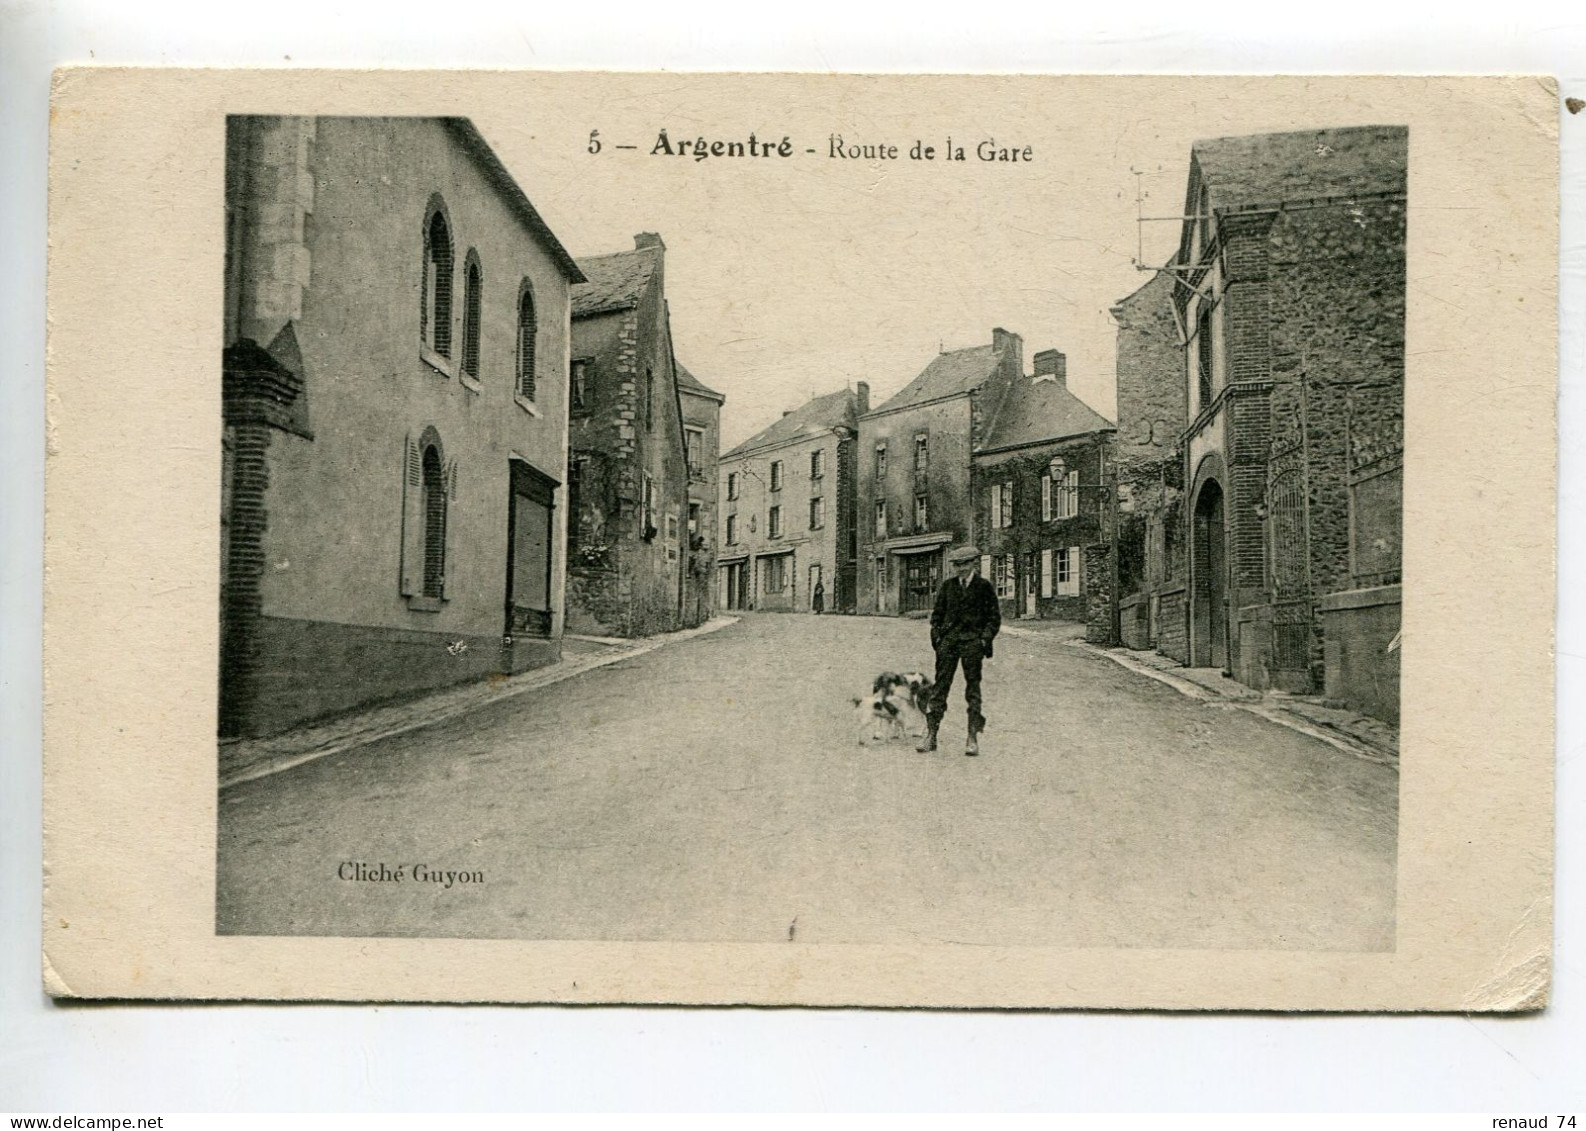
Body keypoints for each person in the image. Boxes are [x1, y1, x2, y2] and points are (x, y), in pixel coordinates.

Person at [919, 546, 1001, 756]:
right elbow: (936, 616)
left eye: (965, 564)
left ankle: (972, 736)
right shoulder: (947, 587)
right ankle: (931, 734)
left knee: (973, 689)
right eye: (957, 565)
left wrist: (983, 640)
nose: (961, 569)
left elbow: (994, 619)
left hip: (972, 644)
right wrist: (938, 639)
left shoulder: (984, 587)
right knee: (939, 688)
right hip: (949, 644)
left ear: (974, 563)